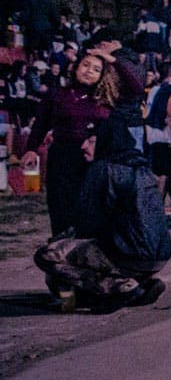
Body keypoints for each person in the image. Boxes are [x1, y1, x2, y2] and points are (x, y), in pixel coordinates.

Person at [33, 118, 170, 313]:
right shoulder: (142, 167)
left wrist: (61, 238)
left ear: (106, 142)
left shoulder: (104, 168)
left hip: (129, 254)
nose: (83, 146)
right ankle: (140, 283)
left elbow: (86, 221)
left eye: (90, 141)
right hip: (158, 254)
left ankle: (117, 287)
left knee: (48, 255)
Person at [22, 40, 144, 236]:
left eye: (96, 69)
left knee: (89, 218)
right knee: (61, 215)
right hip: (61, 160)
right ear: (76, 66)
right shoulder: (58, 95)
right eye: (85, 65)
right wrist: (31, 149)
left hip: (93, 163)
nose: (89, 71)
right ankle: (61, 255)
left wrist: (109, 58)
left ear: (101, 75)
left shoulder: (106, 99)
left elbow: (136, 86)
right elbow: (40, 124)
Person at [143, 62, 171, 215]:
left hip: (153, 135)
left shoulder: (153, 90)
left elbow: (147, 113)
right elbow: (169, 114)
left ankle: (159, 203)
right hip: (167, 134)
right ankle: (158, 206)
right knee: (164, 172)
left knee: (156, 170)